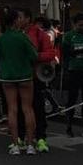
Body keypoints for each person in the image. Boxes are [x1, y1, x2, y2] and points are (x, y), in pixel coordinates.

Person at [0, 8, 39, 155]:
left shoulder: (0, 38)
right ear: (15, 21)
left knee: (12, 109)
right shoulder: (23, 37)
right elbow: (34, 56)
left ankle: (15, 144)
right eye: (19, 18)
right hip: (24, 75)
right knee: (27, 108)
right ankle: (30, 144)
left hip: (7, 76)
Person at [23, 9, 57, 152]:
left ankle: (41, 137)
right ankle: (21, 137)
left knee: (38, 107)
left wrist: (35, 56)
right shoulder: (13, 34)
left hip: (36, 76)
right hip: (19, 76)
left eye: (21, 17)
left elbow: (50, 53)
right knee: (20, 108)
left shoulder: (39, 34)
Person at [60, 13, 83, 138]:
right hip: (74, 71)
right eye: (80, 25)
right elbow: (65, 52)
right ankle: (69, 126)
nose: (82, 27)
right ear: (74, 24)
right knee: (72, 99)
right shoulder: (69, 36)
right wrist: (80, 51)